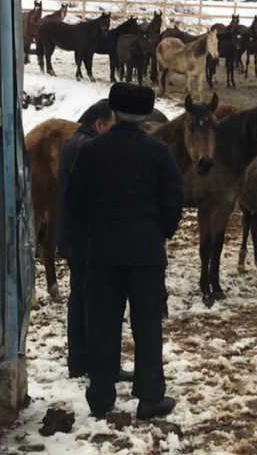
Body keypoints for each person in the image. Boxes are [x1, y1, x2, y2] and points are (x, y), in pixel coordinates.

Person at [66, 83, 184, 420]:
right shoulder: (158, 152)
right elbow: (173, 201)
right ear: (145, 114)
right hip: (145, 253)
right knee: (147, 326)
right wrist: (159, 233)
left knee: (102, 323)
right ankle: (150, 397)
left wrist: (93, 232)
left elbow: (73, 200)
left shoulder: (91, 150)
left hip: (102, 252)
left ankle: (101, 396)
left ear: (114, 112)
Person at [57, 100, 115, 378]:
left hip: (74, 236)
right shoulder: (88, 148)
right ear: (99, 125)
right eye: (112, 126)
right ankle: (89, 362)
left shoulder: (75, 143)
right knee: (89, 300)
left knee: (79, 297)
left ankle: (79, 361)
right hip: (85, 238)